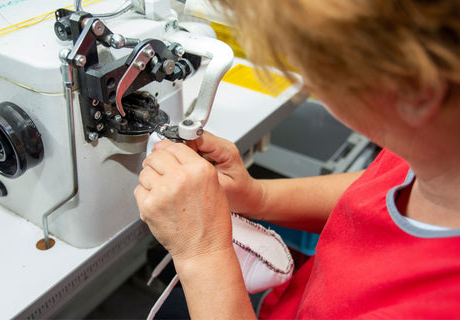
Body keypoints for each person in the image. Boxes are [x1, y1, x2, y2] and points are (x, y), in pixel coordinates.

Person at [134, 0, 460, 318]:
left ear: (416, 93)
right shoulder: (436, 148)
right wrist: (255, 196)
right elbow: (378, 185)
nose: (309, 81)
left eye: (314, 68)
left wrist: (202, 254)